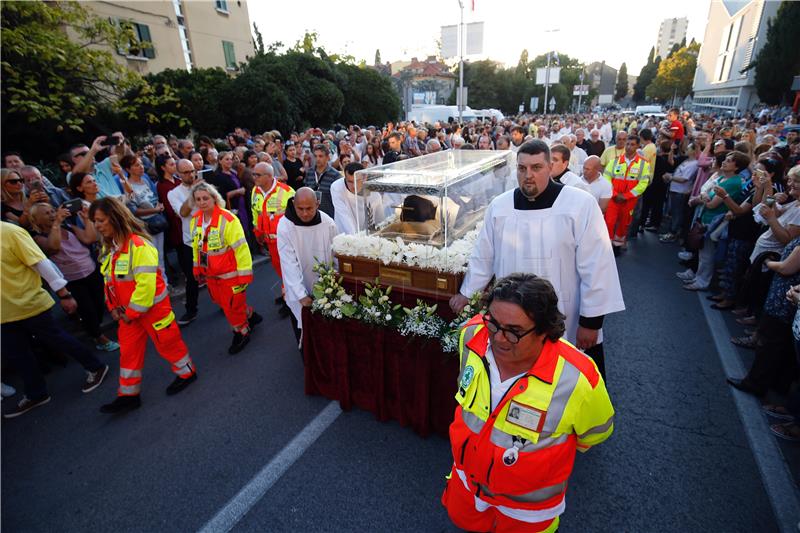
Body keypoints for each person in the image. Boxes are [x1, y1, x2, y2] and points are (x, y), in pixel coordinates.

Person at [442, 273, 614, 533]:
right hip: (467, 485)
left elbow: (595, 433)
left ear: (545, 330)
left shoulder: (577, 378)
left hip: (526, 510)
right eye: (493, 323)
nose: (498, 338)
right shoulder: (471, 335)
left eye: (514, 331)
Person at [451, 140, 625, 378]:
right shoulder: (500, 206)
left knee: (564, 383)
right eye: (522, 169)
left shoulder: (579, 204)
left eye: (536, 167)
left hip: (566, 316)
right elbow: (484, 255)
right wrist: (467, 292)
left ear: (550, 167)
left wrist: (592, 322)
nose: (528, 175)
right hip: (511, 320)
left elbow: (597, 265)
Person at [90, 197, 197, 414]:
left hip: (152, 312)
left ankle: (187, 373)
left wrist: (129, 313)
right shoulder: (111, 247)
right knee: (128, 354)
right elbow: (110, 282)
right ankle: (128, 395)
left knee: (169, 345)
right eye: (95, 221)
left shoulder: (139, 246)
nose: (97, 226)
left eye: (101, 220)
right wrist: (113, 308)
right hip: (128, 315)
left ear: (115, 218)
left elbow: (145, 287)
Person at [1, 221, 109, 419]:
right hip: (4, 315)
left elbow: (41, 263)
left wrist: (64, 294)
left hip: (29, 303)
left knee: (58, 339)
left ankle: (96, 367)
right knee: (18, 355)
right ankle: (36, 394)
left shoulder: (10, 232)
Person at [29, 202, 118, 351]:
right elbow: (53, 247)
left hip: (91, 270)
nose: (52, 214)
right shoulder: (38, 238)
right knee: (87, 310)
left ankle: (94, 330)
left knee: (98, 305)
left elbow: (90, 238)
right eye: (47, 213)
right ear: (36, 220)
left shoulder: (68, 227)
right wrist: (57, 222)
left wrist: (86, 220)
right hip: (72, 279)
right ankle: (99, 338)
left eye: (53, 211)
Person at [189, 182, 261, 354]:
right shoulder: (196, 220)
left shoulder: (228, 219)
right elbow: (196, 247)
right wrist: (197, 268)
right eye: (198, 199)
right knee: (222, 303)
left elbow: (241, 248)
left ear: (214, 198)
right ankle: (250, 315)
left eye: (205, 198)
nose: (202, 202)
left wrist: (245, 275)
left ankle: (241, 332)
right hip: (212, 276)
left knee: (231, 306)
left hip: (231, 275)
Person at [277, 187, 339, 343]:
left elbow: (335, 253)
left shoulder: (328, 223)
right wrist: (301, 294)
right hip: (298, 285)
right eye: (300, 209)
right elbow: (288, 263)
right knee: (304, 330)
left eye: (309, 208)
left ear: (317, 204)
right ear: (294, 204)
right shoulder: (285, 226)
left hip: (325, 284)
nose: (304, 213)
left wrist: (336, 279)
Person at [251, 162, 295, 315]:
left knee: (288, 270)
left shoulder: (286, 191)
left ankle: (290, 301)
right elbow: (255, 212)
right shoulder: (255, 191)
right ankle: (287, 293)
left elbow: (296, 218)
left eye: (258, 175)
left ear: (269, 176)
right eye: (254, 174)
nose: (254, 177)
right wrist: (257, 231)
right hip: (269, 242)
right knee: (280, 270)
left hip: (285, 242)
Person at [603, 134, 652, 251]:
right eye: (628, 144)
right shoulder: (615, 162)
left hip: (629, 200)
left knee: (624, 223)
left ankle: (618, 245)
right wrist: (615, 194)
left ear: (638, 146)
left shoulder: (644, 164)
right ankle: (606, 245)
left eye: (632, 145)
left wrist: (626, 196)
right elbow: (606, 178)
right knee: (609, 221)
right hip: (613, 198)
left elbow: (643, 184)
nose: (629, 147)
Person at [167, 159, 202, 325]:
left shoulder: (204, 186)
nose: (191, 174)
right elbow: (182, 212)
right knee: (192, 278)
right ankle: (191, 310)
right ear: (178, 174)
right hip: (190, 241)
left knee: (216, 275)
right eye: (186, 172)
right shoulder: (173, 193)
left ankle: (225, 303)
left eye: (193, 170)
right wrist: (194, 191)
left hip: (210, 237)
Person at [331, 162, 385, 235]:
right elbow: (344, 216)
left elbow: (380, 220)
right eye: (350, 182)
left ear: (364, 177)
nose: (354, 186)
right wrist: (355, 239)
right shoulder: (337, 187)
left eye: (357, 181)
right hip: (344, 236)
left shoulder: (374, 194)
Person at [69, 134, 128, 198]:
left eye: (88, 152)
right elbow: (77, 173)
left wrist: (121, 141)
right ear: (74, 159)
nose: (89, 155)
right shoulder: (71, 175)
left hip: (120, 204)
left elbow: (120, 154)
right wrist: (93, 150)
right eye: (84, 154)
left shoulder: (104, 165)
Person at [303, 144, 340, 218]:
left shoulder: (335, 175)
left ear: (327, 157)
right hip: (312, 216)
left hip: (329, 216)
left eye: (320, 156)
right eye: (315, 156)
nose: (317, 159)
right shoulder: (309, 172)